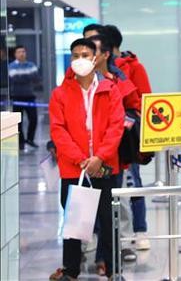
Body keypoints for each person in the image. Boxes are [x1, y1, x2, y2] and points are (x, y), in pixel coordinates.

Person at [49, 38, 124, 281]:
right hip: (74, 169)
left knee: (107, 218)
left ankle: (113, 269)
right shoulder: (60, 93)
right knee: (74, 222)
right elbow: (58, 131)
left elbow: (116, 126)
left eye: (85, 54)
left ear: (95, 58)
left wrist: (99, 157)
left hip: (104, 167)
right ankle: (70, 271)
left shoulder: (110, 90)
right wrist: (82, 160)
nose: (80, 59)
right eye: (75, 55)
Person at [88, 34, 143, 274]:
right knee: (88, 204)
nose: (87, 54)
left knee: (109, 206)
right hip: (82, 155)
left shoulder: (119, 78)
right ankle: (86, 252)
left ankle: (106, 257)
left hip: (113, 153)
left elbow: (134, 108)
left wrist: (120, 124)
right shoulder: (76, 80)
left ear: (106, 54)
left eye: (93, 49)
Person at [101, 24, 152, 251]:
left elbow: (144, 101)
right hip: (105, 141)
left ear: (109, 48)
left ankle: (140, 230)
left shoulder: (131, 68)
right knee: (111, 191)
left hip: (127, 138)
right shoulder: (97, 70)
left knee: (133, 184)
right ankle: (107, 237)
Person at [8, 45, 41, 150]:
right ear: (15, 54)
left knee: (34, 119)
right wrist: (27, 77)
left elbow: (36, 78)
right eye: (19, 52)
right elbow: (15, 79)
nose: (21, 54)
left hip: (30, 96)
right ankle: (21, 142)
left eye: (23, 51)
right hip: (16, 97)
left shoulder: (31, 65)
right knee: (18, 121)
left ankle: (30, 140)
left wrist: (21, 76)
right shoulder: (11, 66)